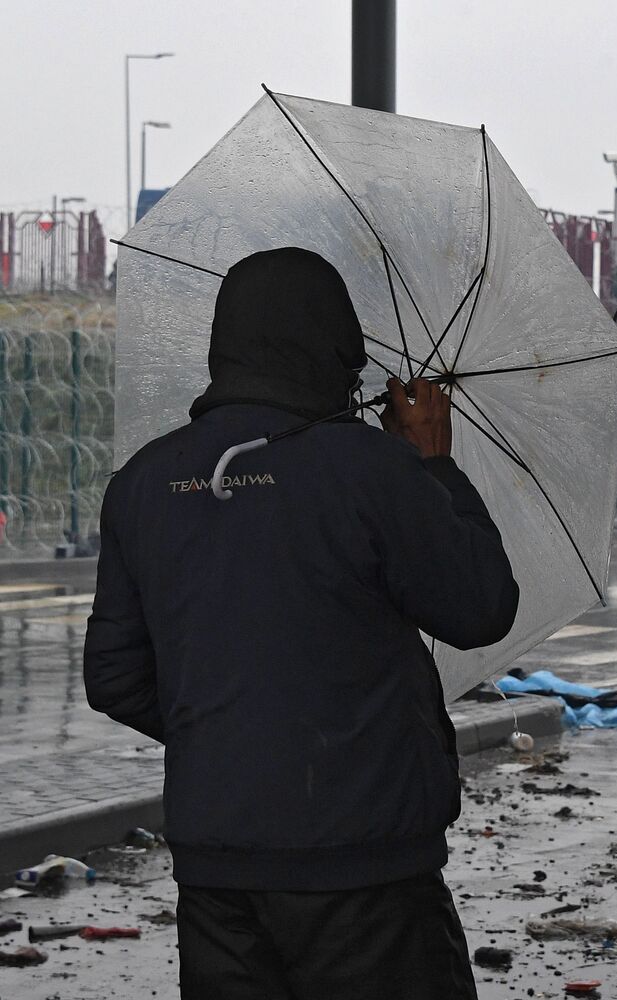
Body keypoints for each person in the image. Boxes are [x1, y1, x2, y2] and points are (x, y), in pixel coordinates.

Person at [84, 246, 519, 999]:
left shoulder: (142, 483)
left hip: (217, 871)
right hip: (366, 865)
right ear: (335, 346)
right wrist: (433, 463)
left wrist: (230, 733)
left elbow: (117, 676)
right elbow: (480, 607)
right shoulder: (371, 469)